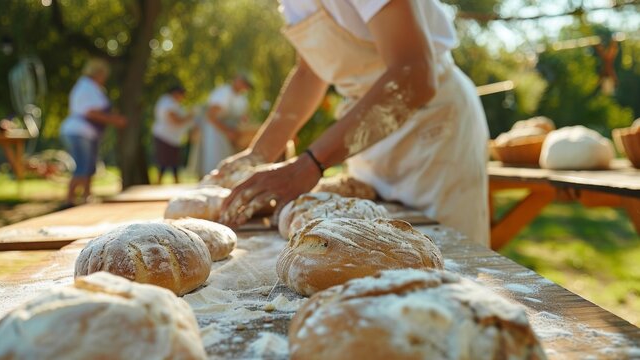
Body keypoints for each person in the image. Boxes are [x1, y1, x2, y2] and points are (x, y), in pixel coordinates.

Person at [217, 0, 490, 246]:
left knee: (441, 265)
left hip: (432, 131)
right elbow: (309, 72)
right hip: (368, 135)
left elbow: (413, 75)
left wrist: (311, 163)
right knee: (374, 260)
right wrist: (258, 155)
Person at [59, 58, 126, 207]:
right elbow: (91, 112)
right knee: (83, 165)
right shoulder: (86, 87)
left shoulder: (91, 87)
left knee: (88, 166)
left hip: (85, 132)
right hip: (79, 131)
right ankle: (69, 200)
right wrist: (114, 120)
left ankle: (86, 197)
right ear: (98, 73)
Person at [199, 75, 252, 175]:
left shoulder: (242, 98)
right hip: (216, 132)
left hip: (232, 134)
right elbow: (210, 116)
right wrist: (227, 131)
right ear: (237, 80)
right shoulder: (223, 93)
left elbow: (242, 117)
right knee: (216, 163)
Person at [151, 84, 193, 184]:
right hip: (165, 137)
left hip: (172, 138)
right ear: (176, 93)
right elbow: (175, 120)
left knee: (174, 163)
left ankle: (174, 183)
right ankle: (159, 184)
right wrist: (190, 116)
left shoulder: (171, 102)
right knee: (164, 163)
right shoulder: (167, 102)